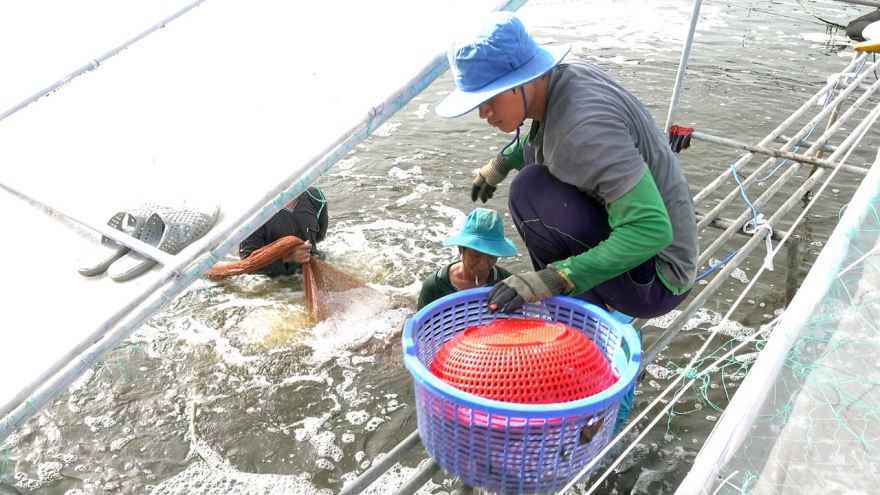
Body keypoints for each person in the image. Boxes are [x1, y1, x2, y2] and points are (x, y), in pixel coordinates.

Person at [435, 12, 699, 436]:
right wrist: (501, 163)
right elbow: (541, 135)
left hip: (661, 279)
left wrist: (553, 280)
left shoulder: (583, 129)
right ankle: (583, 320)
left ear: (525, 79)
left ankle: (588, 346)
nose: (482, 111)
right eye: (475, 100)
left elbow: (652, 231)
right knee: (532, 176)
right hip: (651, 255)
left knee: (532, 192)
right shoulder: (564, 81)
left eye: (490, 96)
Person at [418, 208, 517, 310]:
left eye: (491, 256)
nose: (483, 263)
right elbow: (420, 323)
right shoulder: (435, 286)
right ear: (461, 249)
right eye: (476, 255)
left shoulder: (509, 283)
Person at [239, 186, 328, 276]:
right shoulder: (255, 212)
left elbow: (319, 236)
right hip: (279, 282)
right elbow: (247, 265)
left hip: (314, 268)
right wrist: (288, 257)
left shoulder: (315, 196)